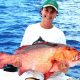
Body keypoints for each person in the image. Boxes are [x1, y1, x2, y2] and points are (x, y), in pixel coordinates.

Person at [20, 0, 70, 80]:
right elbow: (21, 52)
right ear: (41, 11)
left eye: (52, 12)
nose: (48, 14)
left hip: (55, 76)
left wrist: (64, 67)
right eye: (46, 10)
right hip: (34, 73)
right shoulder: (30, 29)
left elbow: (65, 67)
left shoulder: (60, 34)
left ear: (56, 14)